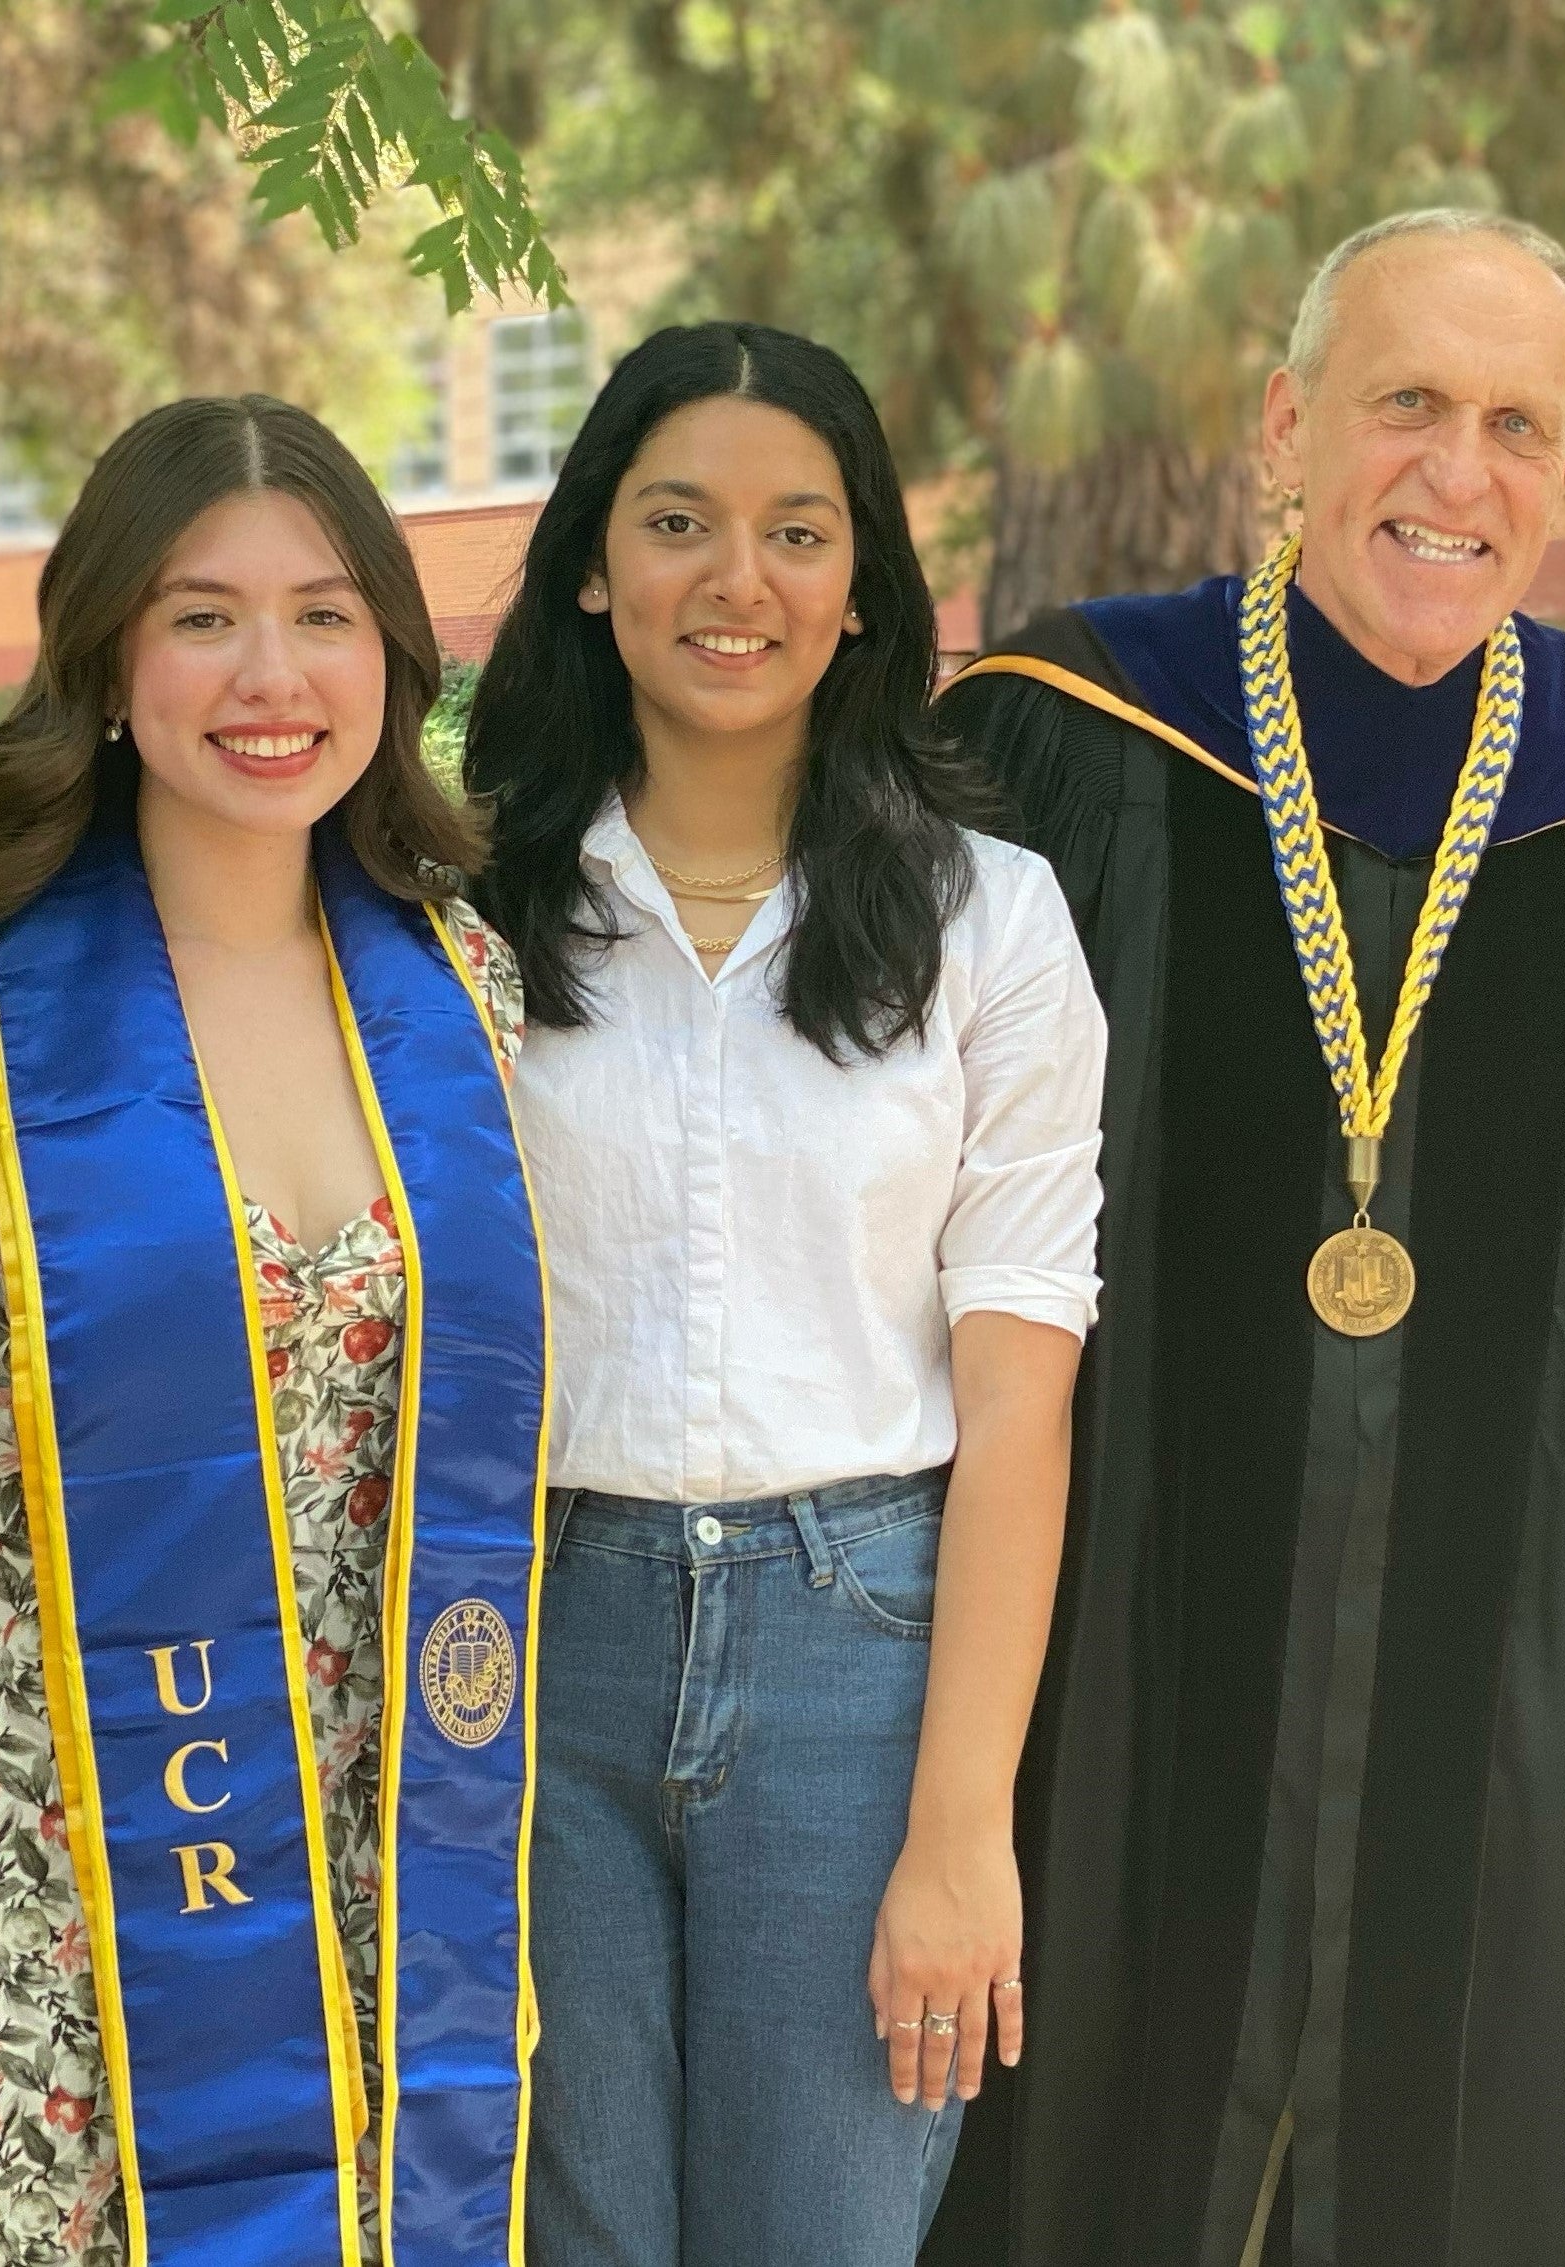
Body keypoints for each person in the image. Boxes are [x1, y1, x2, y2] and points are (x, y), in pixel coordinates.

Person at [921, 209, 1565, 2267]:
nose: (1454, 477)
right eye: (1403, 406)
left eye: (1514, 427)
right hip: (1116, 1620)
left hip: (1504, 1654)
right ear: (1284, 425)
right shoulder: (1071, 729)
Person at [0, 395, 549, 2265]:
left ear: (393, 662)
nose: (272, 674)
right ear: (104, 657)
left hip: (392, 1835)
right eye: (201, 614)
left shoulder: (464, 989)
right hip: (51, 1840)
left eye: (325, 615)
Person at [460, 319, 1102, 2267]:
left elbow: (1016, 1405)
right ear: (591, 562)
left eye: (794, 533)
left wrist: (962, 1826)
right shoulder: (459, 912)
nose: (734, 580)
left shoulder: (993, 923)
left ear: (857, 591)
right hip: (529, 1649)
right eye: (678, 522)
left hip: (860, 1660)